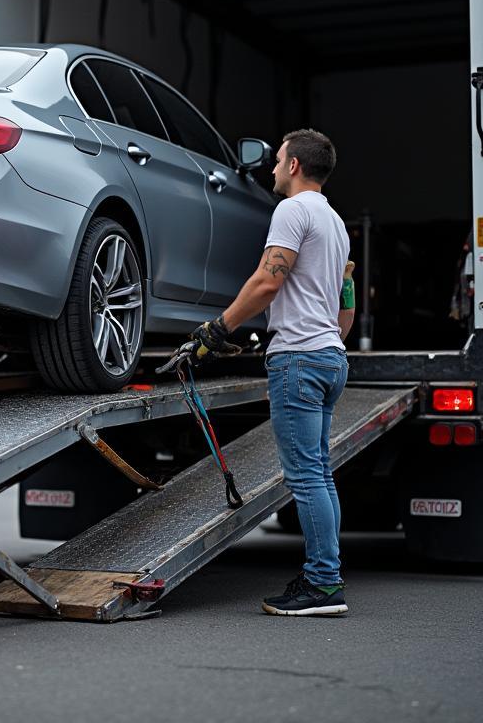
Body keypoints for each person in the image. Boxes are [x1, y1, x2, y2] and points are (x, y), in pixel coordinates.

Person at [190, 128, 354, 616]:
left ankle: (324, 584)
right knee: (319, 474)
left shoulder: (293, 209)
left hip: (299, 358)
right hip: (329, 356)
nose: (274, 168)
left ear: (296, 166)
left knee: (305, 477)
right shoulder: (336, 223)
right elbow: (345, 311)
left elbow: (267, 280)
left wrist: (218, 329)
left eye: (279, 160)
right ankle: (323, 576)